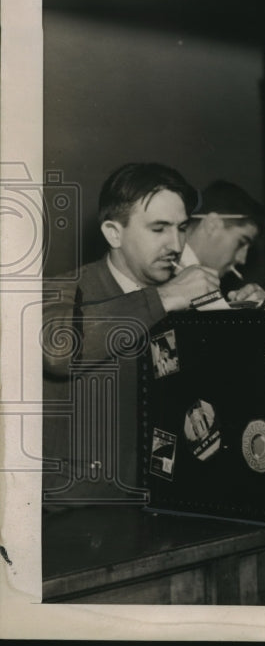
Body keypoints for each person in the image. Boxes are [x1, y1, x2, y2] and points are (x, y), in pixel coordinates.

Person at [42, 163, 221, 498]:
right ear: (114, 233)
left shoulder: (176, 300)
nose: (176, 244)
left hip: (158, 502)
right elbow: (57, 349)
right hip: (71, 518)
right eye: (159, 229)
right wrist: (165, 297)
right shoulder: (62, 289)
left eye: (182, 228)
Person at [180, 180, 265, 306]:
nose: (242, 259)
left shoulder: (200, 281)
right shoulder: (167, 277)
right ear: (212, 225)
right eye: (241, 242)